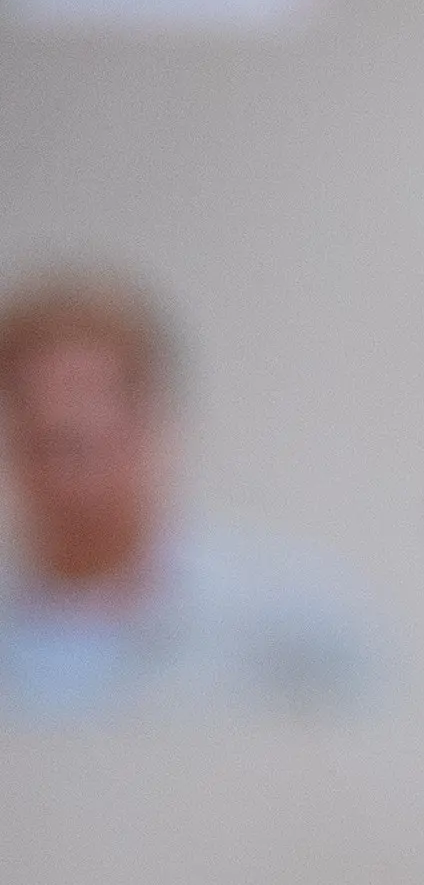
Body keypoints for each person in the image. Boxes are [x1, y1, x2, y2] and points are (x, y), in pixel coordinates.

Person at [0, 266, 371, 718]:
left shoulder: (296, 625)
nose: (70, 474)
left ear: (151, 422)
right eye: (45, 440)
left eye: (88, 437)